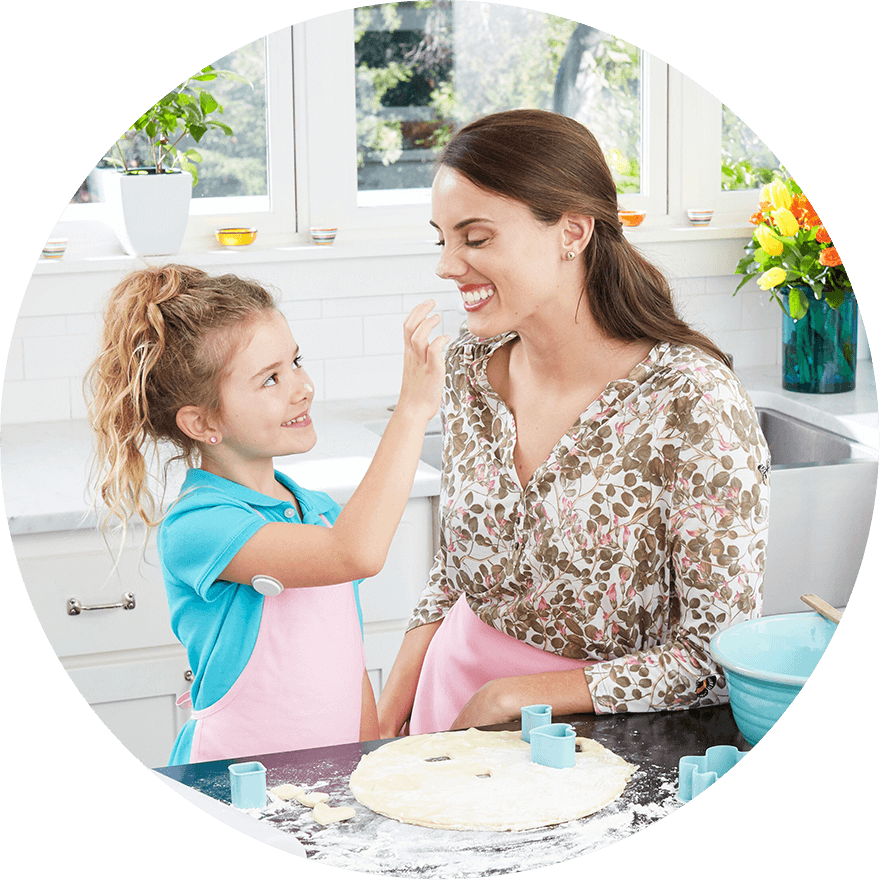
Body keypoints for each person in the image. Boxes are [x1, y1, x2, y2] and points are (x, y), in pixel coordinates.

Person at [377, 109, 770, 737]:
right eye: (442, 239)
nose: (448, 265)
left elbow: (715, 658)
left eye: (475, 239)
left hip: (591, 739)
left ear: (573, 232)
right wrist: (381, 719)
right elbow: (454, 573)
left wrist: (516, 696)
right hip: (447, 708)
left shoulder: (692, 401)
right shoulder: (469, 370)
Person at [85, 265, 447, 764]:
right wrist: (412, 409)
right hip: (234, 785)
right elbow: (356, 553)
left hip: (329, 785)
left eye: (296, 362)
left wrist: (370, 762)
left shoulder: (317, 513)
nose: (302, 387)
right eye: (270, 379)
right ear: (203, 421)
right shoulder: (200, 526)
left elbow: (346, 664)